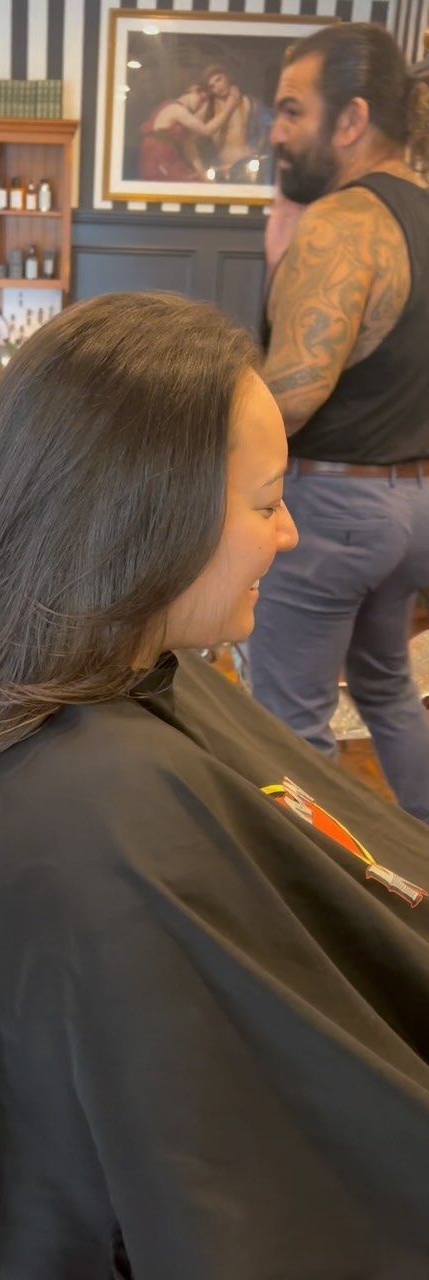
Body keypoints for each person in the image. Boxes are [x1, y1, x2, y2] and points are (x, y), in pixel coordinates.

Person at [0, 293, 429, 1279]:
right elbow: (251, 1197)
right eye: (264, 500)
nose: (286, 535)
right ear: (142, 517)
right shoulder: (94, 823)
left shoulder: (76, 690)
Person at [249, 22, 429, 825]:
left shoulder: (342, 221)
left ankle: (311, 909)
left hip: (330, 512)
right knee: (388, 688)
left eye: (291, 109)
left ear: (351, 119)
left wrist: (285, 261)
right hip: (410, 501)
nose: (275, 129)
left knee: (288, 726)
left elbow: (287, 396)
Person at [137, 81, 240, 182]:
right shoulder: (175, 108)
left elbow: (191, 150)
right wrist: (229, 107)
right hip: (157, 158)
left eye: (204, 102)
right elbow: (206, 130)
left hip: (166, 158)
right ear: (190, 91)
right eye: (200, 96)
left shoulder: (184, 119)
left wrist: (202, 173)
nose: (202, 104)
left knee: (196, 182)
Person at [202, 63, 273, 179]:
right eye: (212, 86)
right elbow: (204, 132)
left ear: (227, 77)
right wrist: (229, 107)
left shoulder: (247, 102)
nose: (218, 87)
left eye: (219, 79)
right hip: (221, 170)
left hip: (247, 166)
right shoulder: (209, 108)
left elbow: (267, 125)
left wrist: (255, 147)